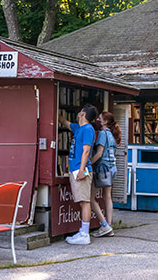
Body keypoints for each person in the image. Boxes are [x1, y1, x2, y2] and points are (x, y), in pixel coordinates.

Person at [58, 103, 98, 245]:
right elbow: (65, 122)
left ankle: (84, 234)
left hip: (80, 170)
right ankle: (82, 231)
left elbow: (86, 150)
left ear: (82, 114)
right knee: (82, 201)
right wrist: (56, 112)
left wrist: (81, 169)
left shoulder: (87, 129)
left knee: (84, 201)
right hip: (75, 169)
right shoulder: (78, 128)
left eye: (80, 111)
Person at [90, 111, 120, 237]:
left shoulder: (103, 133)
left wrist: (88, 163)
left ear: (105, 121)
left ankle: (104, 225)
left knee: (90, 198)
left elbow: (99, 153)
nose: (97, 119)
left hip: (103, 169)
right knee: (107, 197)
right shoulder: (113, 135)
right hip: (112, 168)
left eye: (100, 118)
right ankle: (109, 225)